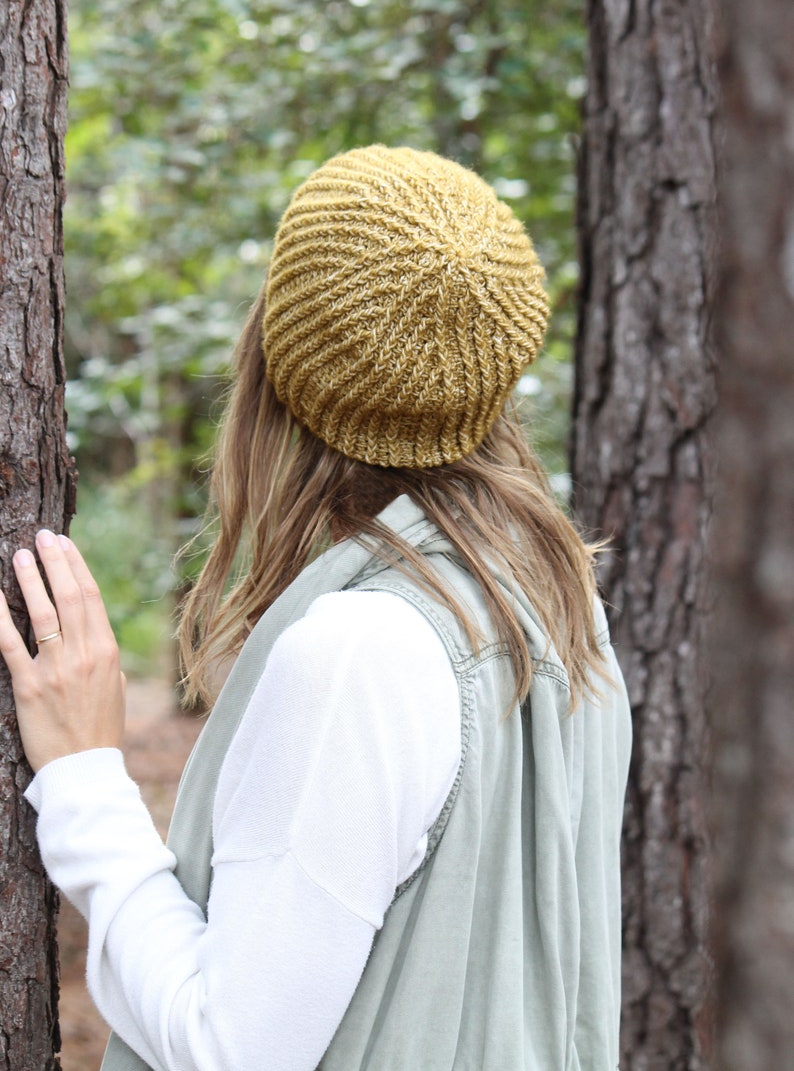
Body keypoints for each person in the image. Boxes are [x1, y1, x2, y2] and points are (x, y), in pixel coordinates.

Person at [0, 145, 631, 1071]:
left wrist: (87, 783)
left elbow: (233, 1047)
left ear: (274, 354)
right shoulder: (553, 598)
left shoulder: (362, 653)